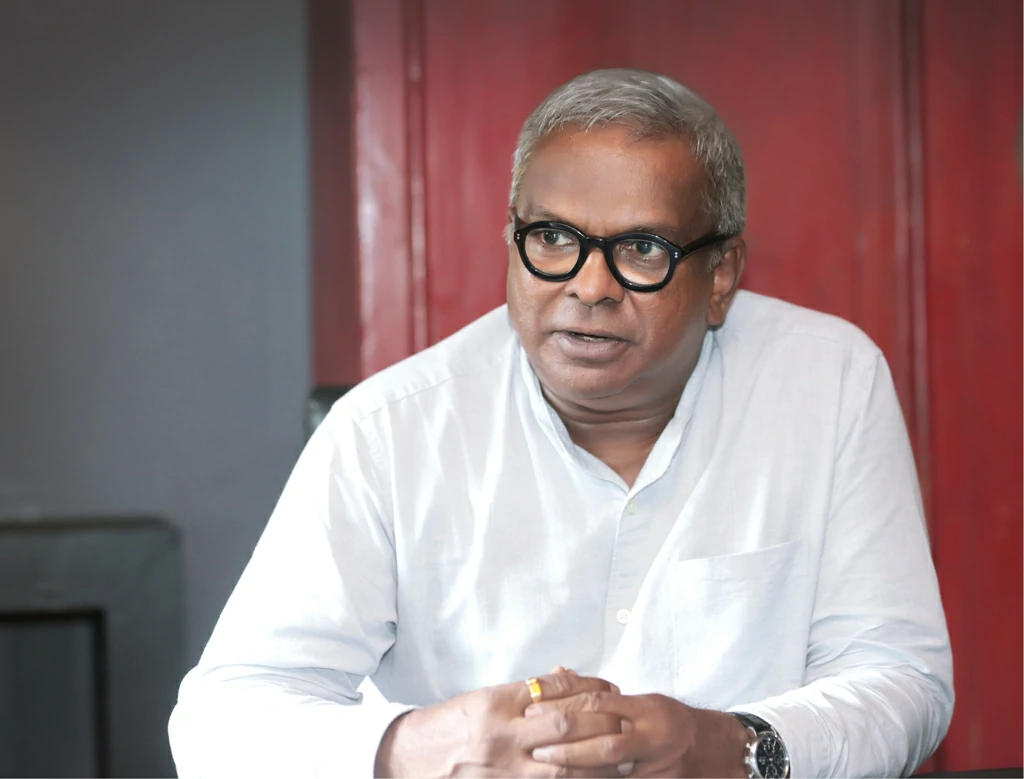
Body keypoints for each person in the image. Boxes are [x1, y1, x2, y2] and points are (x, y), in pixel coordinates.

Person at [168, 68, 953, 778]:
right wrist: (416, 749)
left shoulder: (828, 383)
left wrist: (731, 746)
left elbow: (901, 677)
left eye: (641, 248)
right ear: (511, 241)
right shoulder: (387, 430)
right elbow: (220, 719)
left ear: (721, 276)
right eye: (552, 238)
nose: (589, 286)